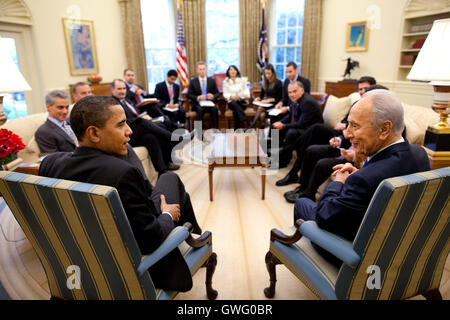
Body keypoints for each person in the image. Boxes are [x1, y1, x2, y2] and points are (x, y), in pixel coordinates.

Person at [38, 95, 202, 291]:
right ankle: (192, 235)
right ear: (94, 133)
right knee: (171, 179)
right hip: (140, 266)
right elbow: (151, 240)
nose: (130, 131)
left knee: (167, 179)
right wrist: (167, 214)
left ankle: (192, 233)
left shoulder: (50, 163)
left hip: (80, 262)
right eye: (121, 124)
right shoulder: (122, 174)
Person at [293, 89, 430, 265]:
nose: (348, 134)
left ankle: (308, 262)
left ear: (384, 129)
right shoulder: (420, 154)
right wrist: (360, 173)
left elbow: (324, 216)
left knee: (303, 203)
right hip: (404, 250)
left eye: (355, 126)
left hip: (361, 260)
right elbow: (383, 179)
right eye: (348, 125)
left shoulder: (364, 180)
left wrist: (340, 182)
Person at [276, 76, 377, 186]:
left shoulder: (375, 109)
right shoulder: (357, 103)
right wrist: (343, 123)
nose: (362, 92)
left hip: (348, 135)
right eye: (360, 89)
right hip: (341, 133)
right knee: (308, 134)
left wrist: (345, 125)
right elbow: (346, 119)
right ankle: (291, 167)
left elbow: (362, 126)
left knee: (315, 128)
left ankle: (290, 161)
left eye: (365, 89)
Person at [111, 79, 180, 172]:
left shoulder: (127, 100)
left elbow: (137, 112)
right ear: (112, 90)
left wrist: (143, 115)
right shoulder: (112, 104)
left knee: (151, 137)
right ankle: (174, 138)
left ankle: (162, 168)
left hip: (137, 130)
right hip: (127, 134)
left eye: (124, 88)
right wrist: (141, 118)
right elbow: (121, 121)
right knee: (142, 122)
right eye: (119, 89)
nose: (122, 91)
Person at [271, 81, 323, 168]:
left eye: (294, 91)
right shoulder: (295, 100)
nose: (292, 94)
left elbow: (302, 123)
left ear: (302, 91)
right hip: (303, 126)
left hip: (312, 131)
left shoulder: (307, 102)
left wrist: (284, 125)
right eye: (290, 92)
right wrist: (281, 123)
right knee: (277, 126)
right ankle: (279, 154)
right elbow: (290, 115)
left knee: (291, 132)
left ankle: (283, 161)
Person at [187, 61, 220, 129]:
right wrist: (198, 97)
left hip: (210, 103)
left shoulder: (211, 80)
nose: (202, 71)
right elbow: (189, 95)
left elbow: (217, 93)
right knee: (200, 110)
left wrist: (213, 96)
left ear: (206, 70)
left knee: (215, 109)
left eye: (204, 69)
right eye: (200, 69)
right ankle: (199, 133)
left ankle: (215, 132)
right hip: (197, 104)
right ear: (197, 70)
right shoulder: (193, 81)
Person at [252, 63, 283, 128]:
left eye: (269, 73)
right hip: (267, 105)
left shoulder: (278, 82)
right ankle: (265, 133)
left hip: (276, 105)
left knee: (260, 109)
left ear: (273, 73)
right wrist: (258, 99)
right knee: (262, 115)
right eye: (266, 73)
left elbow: (280, 97)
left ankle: (252, 126)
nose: (267, 75)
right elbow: (261, 96)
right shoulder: (264, 82)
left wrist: (269, 100)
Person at [222, 65, 251, 129]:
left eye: (234, 70)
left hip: (241, 102)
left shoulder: (242, 80)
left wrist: (240, 96)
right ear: (228, 72)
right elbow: (225, 93)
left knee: (235, 112)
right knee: (233, 103)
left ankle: (237, 129)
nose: (233, 71)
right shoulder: (225, 81)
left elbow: (246, 91)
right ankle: (245, 120)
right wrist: (231, 96)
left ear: (237, 71)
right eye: (231, 70)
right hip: (232, 102)